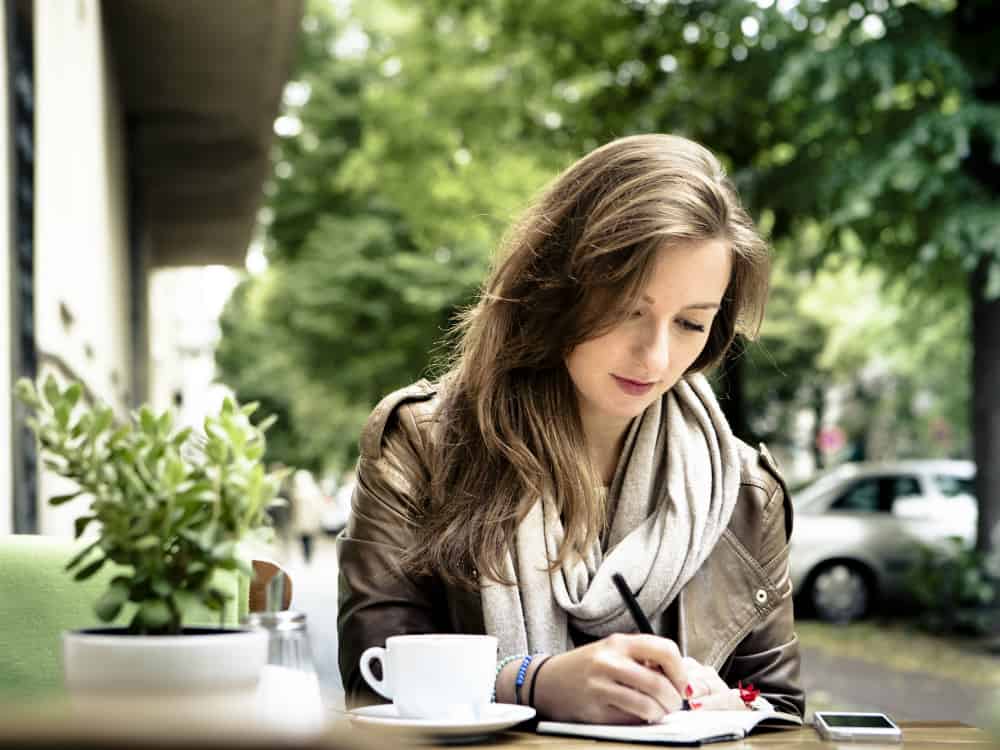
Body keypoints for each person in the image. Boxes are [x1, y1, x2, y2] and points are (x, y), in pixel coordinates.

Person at [337, 134, 804, 723]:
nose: (655, 357)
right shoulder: (421, 444)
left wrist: (729, 704)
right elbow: (372, 686)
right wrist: (531, 683)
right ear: (556, 286)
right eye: (631, 309)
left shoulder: (744, 490)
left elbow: (781, 707)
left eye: (690, 323)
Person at [290, 468, 325, 564]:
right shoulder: (313, 491)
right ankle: (307, 557)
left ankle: (307, 557)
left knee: (306, 539)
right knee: (306, 539)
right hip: (306, 520)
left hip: (306, 520)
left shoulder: (299, 492)